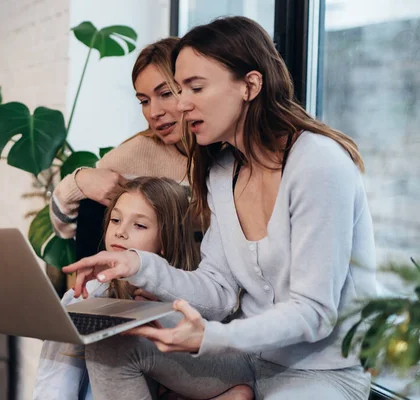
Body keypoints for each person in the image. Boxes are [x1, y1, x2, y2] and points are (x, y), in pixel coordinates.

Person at [63, 16, 377, 400]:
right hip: (245, 357)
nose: (180, 104)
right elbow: (220, 290)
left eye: (195, 87)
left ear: (250, 85)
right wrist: (139, 265)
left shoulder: (318, 163)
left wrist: (213, 336)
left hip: (322, 373)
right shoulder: (223, 171)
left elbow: (314, 313)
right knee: (110, 343)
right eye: (179, 89)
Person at [34, 177, 201, 399]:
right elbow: (55, 380)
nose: (120, 232)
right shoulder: (88, 293)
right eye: (115, 220)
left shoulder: (189, 298)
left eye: (139, 225)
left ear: (169, 237)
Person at [49, 37, 191, 241]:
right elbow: (64, 229)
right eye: (144, 101)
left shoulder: (233, 154)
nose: (153, 112)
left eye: (166, 93)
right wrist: (78, 181)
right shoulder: (134, 154)